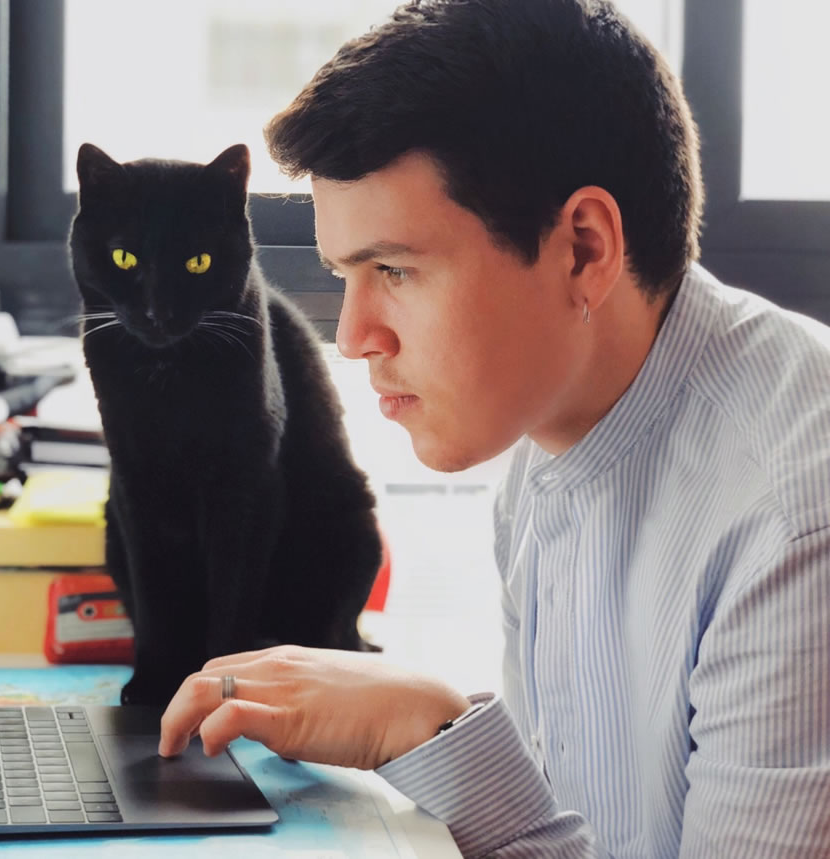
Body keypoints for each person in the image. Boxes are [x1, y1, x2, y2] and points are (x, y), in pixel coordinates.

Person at [156, 0, 830, 855]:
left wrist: (435, 732)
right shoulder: (550, 440)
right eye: (343, 274)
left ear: (583, 248)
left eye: (394, 269)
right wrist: (430, 719)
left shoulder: (797, 519)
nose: (356, 335)